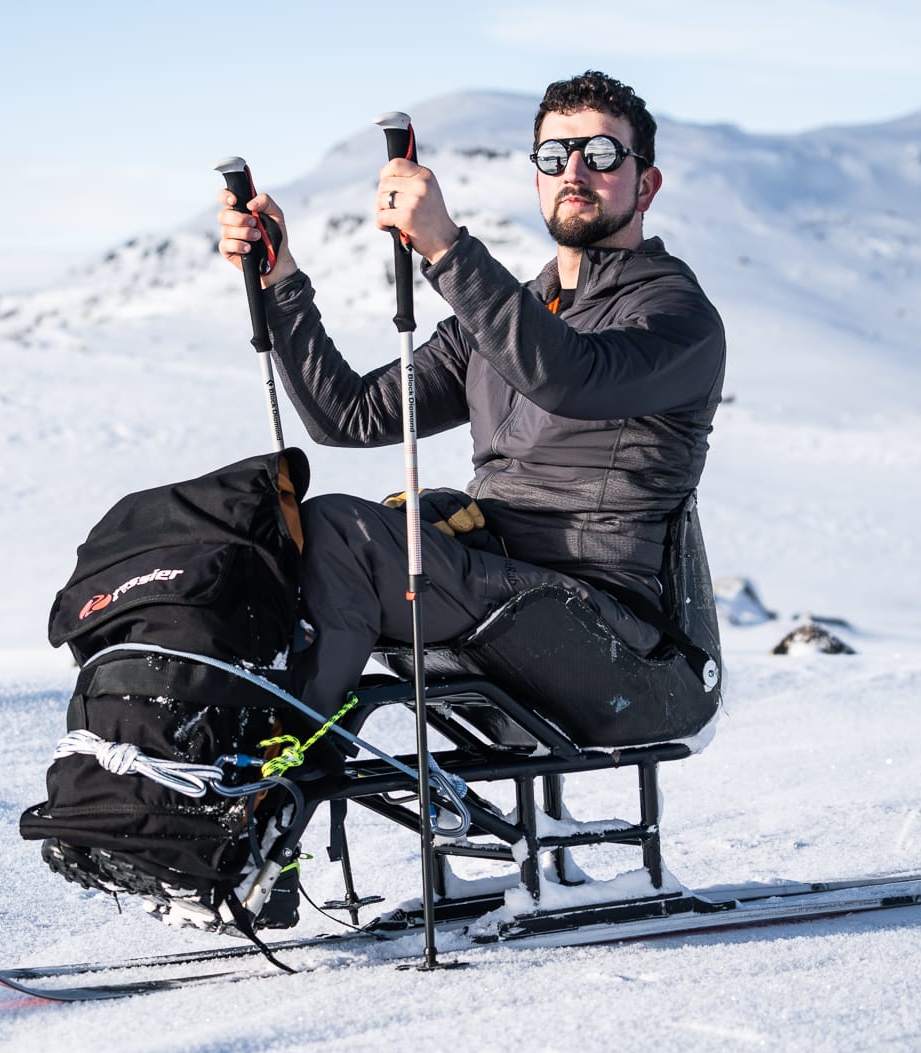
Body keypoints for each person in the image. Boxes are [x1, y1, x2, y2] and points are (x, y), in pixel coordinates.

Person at [217, 70, 725, 731]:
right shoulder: (507, 318)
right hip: (495, 591)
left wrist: (447, 249)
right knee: (274, 530)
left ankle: (280, 768)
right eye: (553, 156)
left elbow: (569, 379)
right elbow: (348, 416)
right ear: (537, 179)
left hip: (604, 636)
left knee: (346, 535)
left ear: (645, 184)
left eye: (601, 154)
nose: (574, 170)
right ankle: (214, 761)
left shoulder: (675, 317)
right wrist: (280, 281)